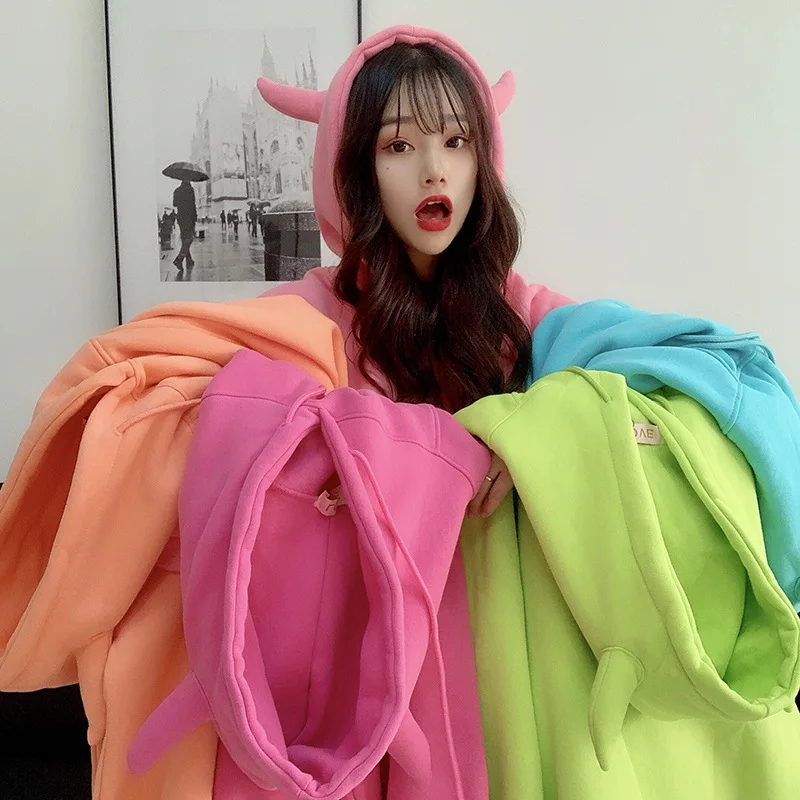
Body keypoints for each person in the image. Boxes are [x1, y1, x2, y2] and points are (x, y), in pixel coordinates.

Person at [258, 26, 572, 518]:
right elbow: (180, 372)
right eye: (399, 145)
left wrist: (547, 419)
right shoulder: (310, 314)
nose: (435, 170)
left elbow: (665, 364)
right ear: (354, 168)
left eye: (456, 140)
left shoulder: (520, 311)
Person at [172, 180, 197, 269]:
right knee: (189, 238)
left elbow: (174, 204)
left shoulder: (177, 190)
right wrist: (195, 218)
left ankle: (189, 260)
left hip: (181, 217)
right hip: (189, 217)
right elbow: (193, 204)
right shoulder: (190, 190)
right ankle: (179, 259)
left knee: (184, 238)